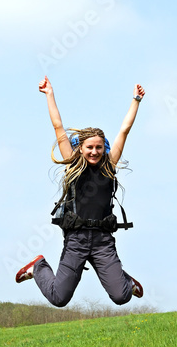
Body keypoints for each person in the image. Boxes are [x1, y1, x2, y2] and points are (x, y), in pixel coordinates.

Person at [14, 75, 145, 307]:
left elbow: (124, 130)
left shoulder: (109, 166)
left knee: (121, 296)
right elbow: (58, 127)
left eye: (98, 147)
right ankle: (38, 267)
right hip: (76, 240)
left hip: (103, 241)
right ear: (81, 148)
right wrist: (49, 95)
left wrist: (136, 100)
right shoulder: (72, 165)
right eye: (89, 147)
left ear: (103, 148)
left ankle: (124, 281)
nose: (94, 152)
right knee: (59, 298)